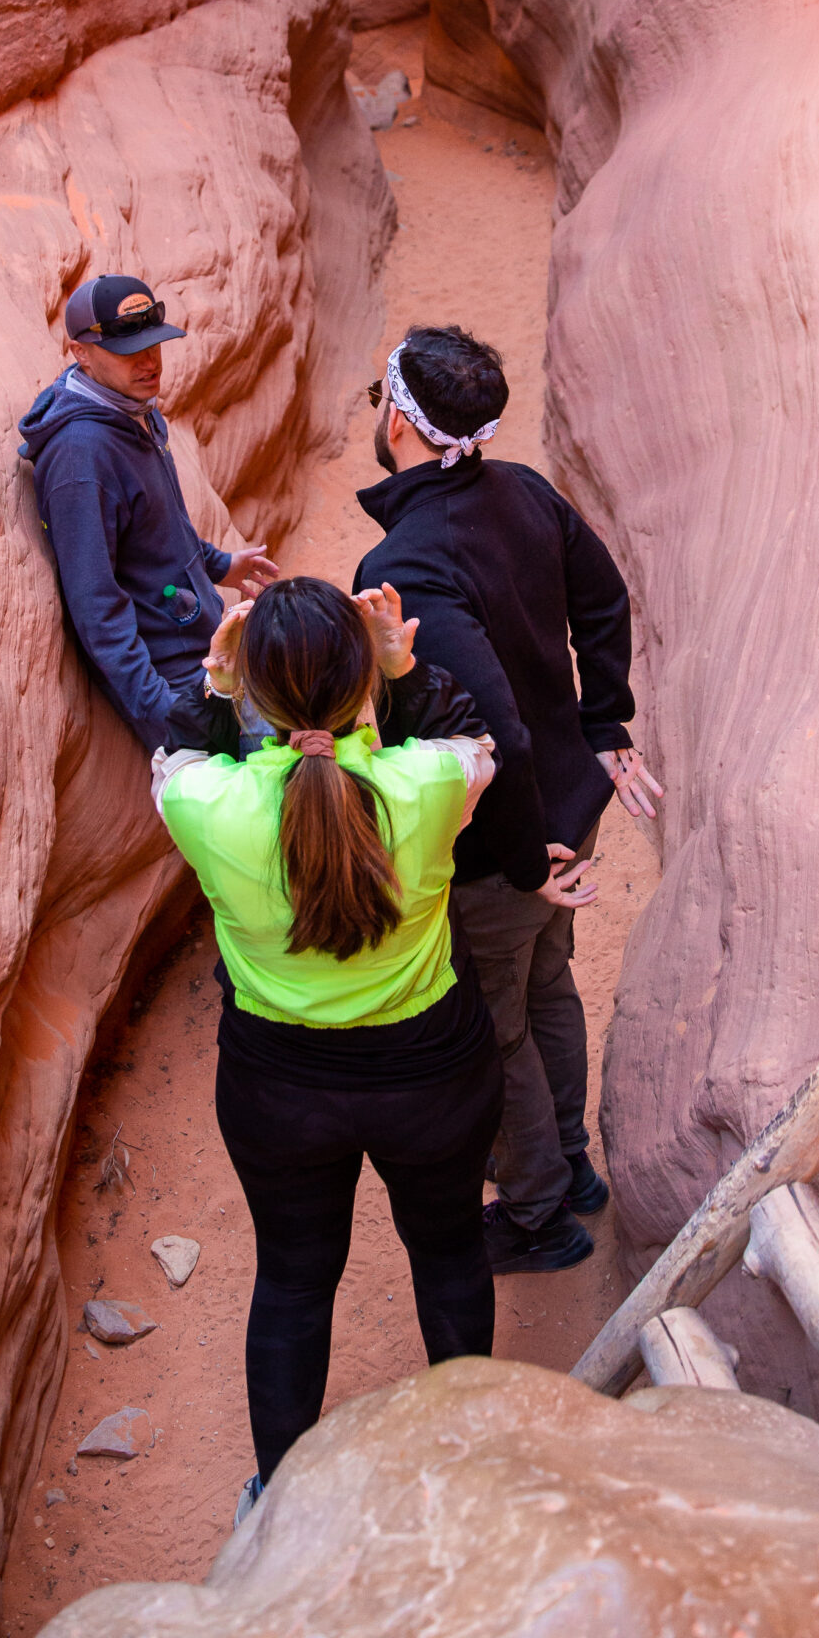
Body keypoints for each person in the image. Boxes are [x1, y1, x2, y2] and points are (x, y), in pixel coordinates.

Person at [154, 575, 501, 1519]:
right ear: (362, 685)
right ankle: (468, 1475)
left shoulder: (205, 805)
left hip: (279, 1089)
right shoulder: (426, 786)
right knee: (450, 1254)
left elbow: (181, 750)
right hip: (433, 1073)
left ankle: (278, 1501)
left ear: (259, 691)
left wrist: (219, 688)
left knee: (294, 1280)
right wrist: (404, 668)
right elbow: (474, 741)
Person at [354, 324, 663, 1275]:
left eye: (380, 394)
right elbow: (603, 599)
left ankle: (535, 1215)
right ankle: (567, 1167)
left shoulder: (405, 565)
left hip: (501, 840)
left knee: (497, 1027)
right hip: (561, 807)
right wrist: (603, 724)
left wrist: (528, 868)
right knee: (544, 985)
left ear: (401, 419)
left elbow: (500, 733)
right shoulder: (522, 490)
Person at [18, 272, 276, 756]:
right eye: (128, 350)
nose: (149, 361)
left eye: (154, 343)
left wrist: (220, 565)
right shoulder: (82, 458)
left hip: (210, 654)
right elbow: (97, 611)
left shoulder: (132, 408)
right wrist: (167, 714)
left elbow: (160, 526)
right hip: (178, 684)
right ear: (81, 352)